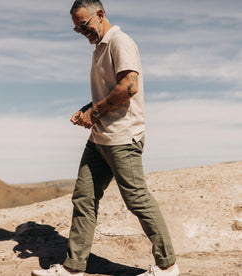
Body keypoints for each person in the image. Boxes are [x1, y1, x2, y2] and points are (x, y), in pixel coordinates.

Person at [31, 1, 179, 275]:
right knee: (84, 198)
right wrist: (88, 109)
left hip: (123, 138)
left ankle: (168, 266)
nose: (82, 32)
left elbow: (129, 86)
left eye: (84, 26)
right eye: (77, 30)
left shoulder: (119, 42)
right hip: (99, 139)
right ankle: (74, 267)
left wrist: (96, 111)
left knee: (137, 199)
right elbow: (110, 90)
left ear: (100, 15)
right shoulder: (99, 48)